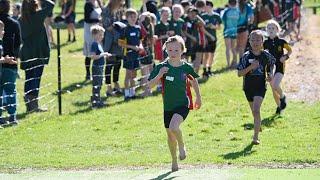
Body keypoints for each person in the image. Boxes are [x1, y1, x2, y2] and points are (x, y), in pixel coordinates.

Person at [148, 35, 201, 172]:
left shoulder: (186, 67)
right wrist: (159, 75)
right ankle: (174, 160)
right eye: (170, 50)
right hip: (168, 107)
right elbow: (149, 85)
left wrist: (198, 98)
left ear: (182, 51)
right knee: (170, 136)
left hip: (183, 104)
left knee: (173, 126)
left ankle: (182, 146)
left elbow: (194, 81)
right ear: (166, 50)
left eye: (176, 50)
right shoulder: (162, 67)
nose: (173, 53)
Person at [237, 30, 275, 145]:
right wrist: (250, 67)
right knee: (254, 112)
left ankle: (255, 137)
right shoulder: (246, 56)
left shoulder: (266, 55)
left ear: (262, 42)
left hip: (260, 86)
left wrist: (270, 73)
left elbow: (272, 63)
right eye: (253, 40)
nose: (255, 42)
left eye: (258, 40)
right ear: (249, 41)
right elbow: (239, 74)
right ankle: (258, 125)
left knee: (256, 110)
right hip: (248, 87)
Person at [19, 0, 55, 113]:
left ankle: (30, 105)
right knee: (35, 79)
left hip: (26, 53)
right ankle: (33, 105)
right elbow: (51, 4)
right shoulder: (38, 16)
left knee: (29, 78)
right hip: (38, 53)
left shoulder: (21, 19)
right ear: (35, 6)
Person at [263, 20, 292, 114]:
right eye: (269, 28)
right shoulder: (265, 43)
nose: (271, 30)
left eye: (273, 28)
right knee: (273, 88)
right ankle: (279, 107)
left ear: (277, 30)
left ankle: (283, 96)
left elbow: (290, 50)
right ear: (266, 30)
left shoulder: (281, 41)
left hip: (279, 66)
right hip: (269, 68)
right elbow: (261, 54)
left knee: (275, 85)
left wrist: (285, 56)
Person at [0, 0, 21, 125]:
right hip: (11, 62)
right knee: (11, 89)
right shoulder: (14, 23)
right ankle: (12, 115)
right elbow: (18, 44)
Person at [118, 8, 144, 100]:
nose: (133, 18)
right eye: (131, 17)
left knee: (134, 75)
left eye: (135, 16)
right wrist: (133, 47)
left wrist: (140, 46)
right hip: (128, 55)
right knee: (128, 75)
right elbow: (120, 43)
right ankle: (126, 94)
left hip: (136, 55)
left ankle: (132, 93)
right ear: (127, 18)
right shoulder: (125, 29)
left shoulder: (138, 28)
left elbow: (140, 40)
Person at [101, 0, 123, 96]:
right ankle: (108, 86)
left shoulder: (117, 10)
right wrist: (118, 33)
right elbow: (107, 26)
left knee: (118, 63)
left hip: (118, 40)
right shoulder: (107, 10)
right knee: (109, 64)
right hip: (110, 41)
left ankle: (116, 83)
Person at [90, 25, 111, 108]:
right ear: (94, 35)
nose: (101, 37)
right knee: (97, 84)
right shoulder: (94, 44)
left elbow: (99, 55)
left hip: (100, 66)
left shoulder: (98, 44)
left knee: (99, 83)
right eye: (99, 35)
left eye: (102, 35)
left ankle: (97, 100)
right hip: (97, 67)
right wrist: (103, 54)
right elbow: (93, 56)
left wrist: (104, 55)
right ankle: (95, 102)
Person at [201, 0, 222, 77]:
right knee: (205, 55)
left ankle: (209, 69)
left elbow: (219, 27)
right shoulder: (203, 16)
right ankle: (204, 70)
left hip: (214, 38)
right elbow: (202, 29)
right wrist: (210, 35)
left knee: (212, 54)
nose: (205, 8)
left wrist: (213, 26)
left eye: (206, 6)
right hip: (206, 39)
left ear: (210, 7)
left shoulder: (216, 16)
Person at [83, 0, 102, 80]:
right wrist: (98, 20)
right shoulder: (88, 4)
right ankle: (88, 73)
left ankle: (98, 73)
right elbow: (87, 19)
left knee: (98, 51)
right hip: (89, 31)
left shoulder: (98, 3)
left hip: (98, 30)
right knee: (89, 53)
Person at [221, 0, 240, 68]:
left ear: (228, 3)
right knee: (233, 48)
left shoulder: (226, 11)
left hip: (227, 31)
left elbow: (222, 20)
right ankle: (235, 63)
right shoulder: (238, 11)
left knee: (228, 48)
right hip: (236, 31)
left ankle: (228, 64)